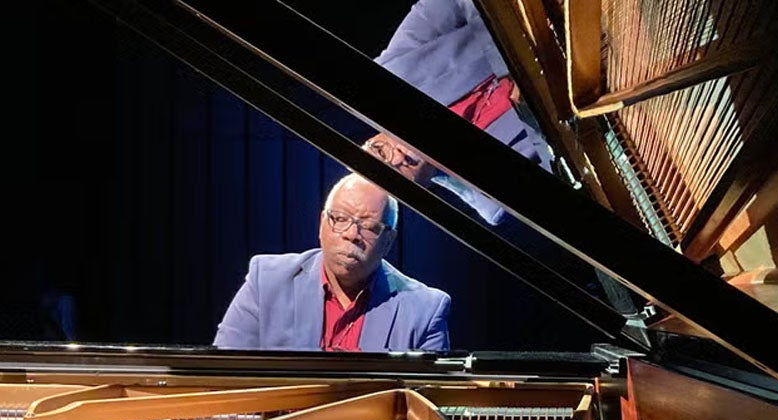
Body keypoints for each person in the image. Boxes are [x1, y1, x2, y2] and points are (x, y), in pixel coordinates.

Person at [213, 173, 451, 352]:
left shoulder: (425, 310)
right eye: (339, 219)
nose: (351, 234)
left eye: (369, 226)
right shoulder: (266, 281)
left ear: (388, 240)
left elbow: (424, 405)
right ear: (322, 224)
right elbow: (222, 374)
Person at [368, 0, 554, 225]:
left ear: (374, 137)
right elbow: (561, 163)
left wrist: (510, 33)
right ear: (418, 192)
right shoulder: (491, 199)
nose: (397, 157)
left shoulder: (394, 74)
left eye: (380, 152)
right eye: (393, 174)